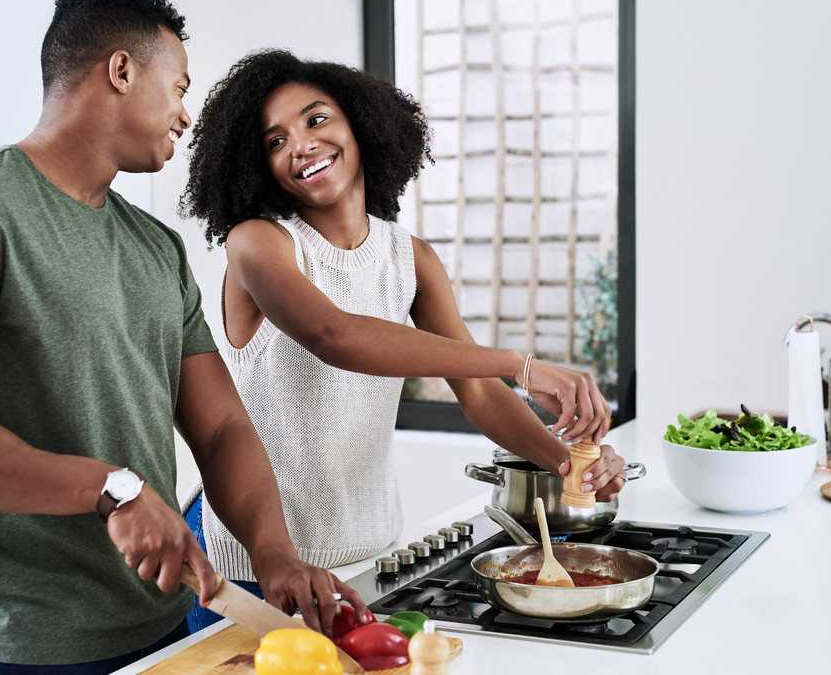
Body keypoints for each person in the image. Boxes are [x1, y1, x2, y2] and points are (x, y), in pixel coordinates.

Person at [0, 0, 364, 674]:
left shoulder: (156, 248)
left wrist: (273, 553)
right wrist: (110, 488)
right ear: (122, 71)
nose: (185, 114)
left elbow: (221, 426)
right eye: (179, 86)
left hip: (164, 625)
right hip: (24, 647)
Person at [179, 49, 630, 631]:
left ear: (360, 124)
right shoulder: (258, 244)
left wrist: (571, 465)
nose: (302, 145)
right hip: (253, 564)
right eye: (276, 141)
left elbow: (479, 393)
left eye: (317, 120)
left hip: (370, 552)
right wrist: (522, 365)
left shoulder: (410, 258)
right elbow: (335, 334)